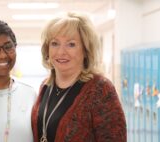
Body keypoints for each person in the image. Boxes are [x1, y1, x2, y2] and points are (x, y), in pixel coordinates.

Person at [31, 12, 127, 142]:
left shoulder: (100, 89)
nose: (61, 52)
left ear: (86, 50)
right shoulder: (45, 86)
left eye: (71, 44)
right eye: (55, 43)